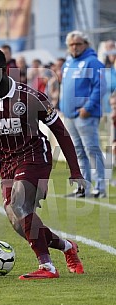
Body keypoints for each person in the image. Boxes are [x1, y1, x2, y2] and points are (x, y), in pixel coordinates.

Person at [0, 48, 86, 280]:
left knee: (19, 205)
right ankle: (68, 247)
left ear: (5, 71)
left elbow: (61, 133)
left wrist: (75, 171)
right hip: (7, 164)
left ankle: (47, 266)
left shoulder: (30, 97)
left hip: (35, 156)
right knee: (18, 222)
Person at [60, 30, 107, 198]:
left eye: (78, 44)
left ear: (86, 44)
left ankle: (100, 186)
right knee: (78, 152)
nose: (74, 47)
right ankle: (83, 187)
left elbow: (100, 86)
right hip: (70, 115)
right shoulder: (67, 63)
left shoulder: (93, 62)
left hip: (85, 115)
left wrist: (87, 107)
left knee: (92, 150)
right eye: (71, 44)